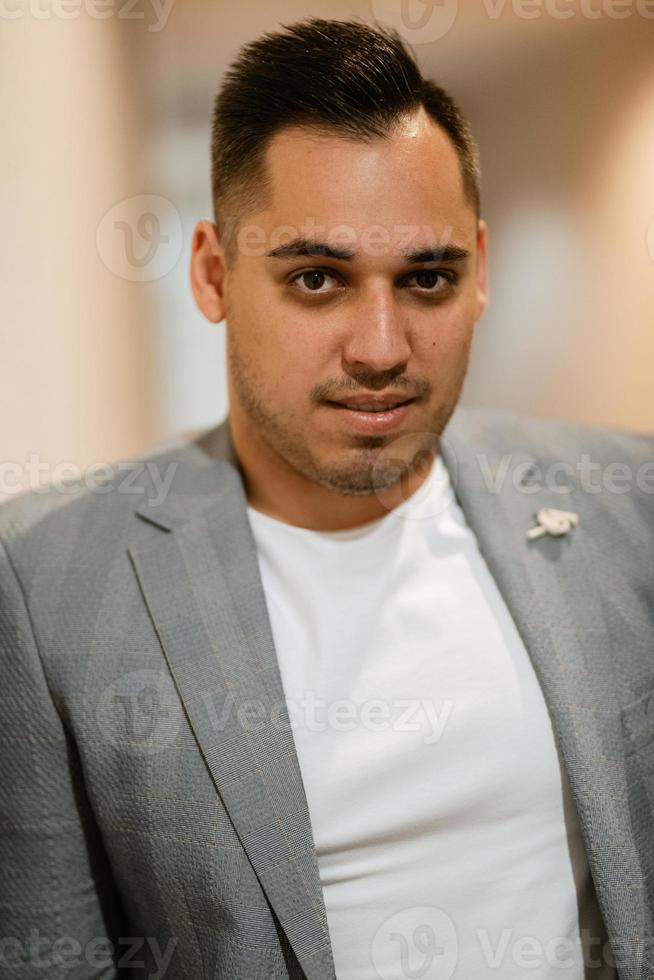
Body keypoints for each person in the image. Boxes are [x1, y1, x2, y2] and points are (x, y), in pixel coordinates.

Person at [1, 16, 652, 980]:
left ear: (480, 271)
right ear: (214, 273)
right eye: (317, 278)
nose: (382, 347)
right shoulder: (45, 581)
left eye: (428, 278)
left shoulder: (624, 504)